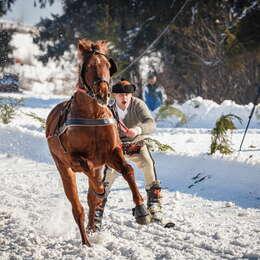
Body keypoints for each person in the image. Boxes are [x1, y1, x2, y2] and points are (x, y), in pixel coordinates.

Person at [101, 79, 164, 226]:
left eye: (127, 95)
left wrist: (137, 130)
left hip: (136, 143)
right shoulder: (108, 109)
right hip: (116, 148)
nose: (124, 98)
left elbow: (150, 122)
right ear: (114, 96)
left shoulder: (138, 104)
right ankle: (99, 206)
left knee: (148, 163)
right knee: (108, 175)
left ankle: (154, 204)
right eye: (121, 95)